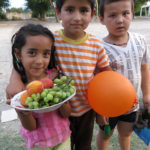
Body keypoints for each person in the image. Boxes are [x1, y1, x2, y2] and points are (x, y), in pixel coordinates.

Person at [6, 0, 111, 149]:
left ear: (93, 14)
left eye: (83, 10)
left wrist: (102, 109)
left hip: (87, 109)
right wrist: (14, 78)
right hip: (58, 111)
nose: (77, 17)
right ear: (57, 12)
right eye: (69, 10)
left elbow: (105, 75)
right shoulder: (51, 41)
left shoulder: (96, 44)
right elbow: (25, 59)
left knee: (84, 146)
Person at [96, 0, 150, 150]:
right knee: (105, 135)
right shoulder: (99, 48)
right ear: (102, 19)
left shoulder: (140, 41)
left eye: (125, 13)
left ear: (132, 14)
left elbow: (144, 69)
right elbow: (97, 83)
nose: (120, 20)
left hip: (132, 104)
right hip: (108, 107)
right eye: (112, 15)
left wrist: (146, 94)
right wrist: (100, 111)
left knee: (126, 134)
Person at [9, 24, 72, 150]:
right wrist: (23, 113)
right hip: (38, 144)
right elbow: (31, 127)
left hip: (63, 137)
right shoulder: (20, 89)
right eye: (32, 53)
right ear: (18, 53)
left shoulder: (55, 78)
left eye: (46, 54)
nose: (39, 61)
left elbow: (66, 114)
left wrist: (62, 101)